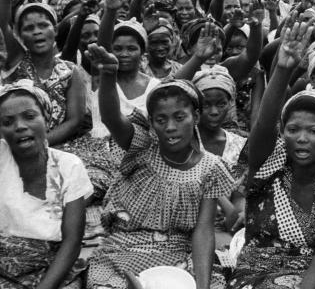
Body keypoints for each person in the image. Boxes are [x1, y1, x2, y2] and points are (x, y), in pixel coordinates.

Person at [85, 44, 234, 289]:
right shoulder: (143, 145)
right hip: (124, 246)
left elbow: (203, 231)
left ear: (195, 117)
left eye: (179, 117)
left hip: (177, 251)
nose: (171, 128)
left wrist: (203, 286)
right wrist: (110, 76)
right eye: (161, 120)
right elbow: (112, 118)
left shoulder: (210, 167)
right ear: (152, 123)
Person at [228, 23, 315, 289]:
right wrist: (282, 70)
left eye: (314, 130)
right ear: (284, 133)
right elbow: (264, 125)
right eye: (293, 129)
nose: (302, 138)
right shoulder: (270, 165)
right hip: (254, 274)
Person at [0, 81, 92, 288]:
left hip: (51, 268)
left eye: (30, 116)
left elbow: (72, 242)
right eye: (7, 122)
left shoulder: (69, 166)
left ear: (46, 118)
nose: (20, 126)